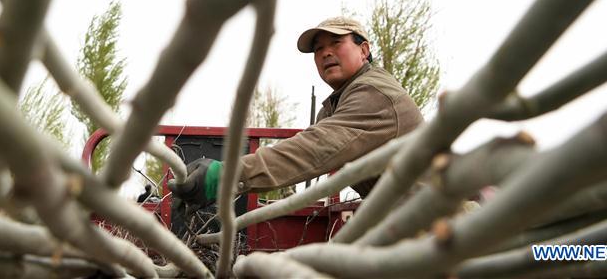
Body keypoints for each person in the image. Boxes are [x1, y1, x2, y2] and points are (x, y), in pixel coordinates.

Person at [168, 16, 424, 210]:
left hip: (432, 222)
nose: (325, 53)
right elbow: (305, 151)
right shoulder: (334, 106)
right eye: (318, 49)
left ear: (364, 50)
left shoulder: (373, 93)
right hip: (400, 216)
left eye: (336, 42)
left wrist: (225, 176)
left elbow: (314, 149)